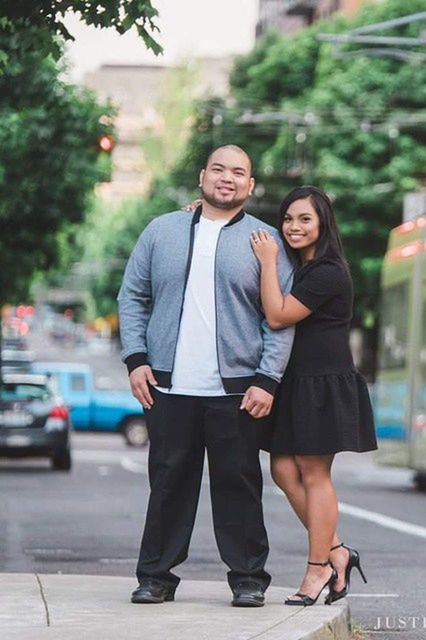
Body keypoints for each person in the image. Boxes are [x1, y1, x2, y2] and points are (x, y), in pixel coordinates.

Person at [117, 145, 294, 607]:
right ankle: (155, 577)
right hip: (168, 386)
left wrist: (267, 378)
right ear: (202, 177)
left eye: (239, 172)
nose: (228, 178)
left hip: (238, 390)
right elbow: (132, 295)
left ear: (251, 186)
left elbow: (279, 318)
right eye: (219, 169)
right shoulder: (162, 230)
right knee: (169, 483)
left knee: (238, 484)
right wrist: (136, 359)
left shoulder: (267, 242)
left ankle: (249, 578)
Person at [249, 185, 377, 606]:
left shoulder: (327, 271)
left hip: (323, 384)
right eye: (288, 218)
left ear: (322, 223)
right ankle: (338, 552)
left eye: (304, 219)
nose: (293, 226)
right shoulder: (298, 265)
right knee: (284, 471)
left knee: (314, 474)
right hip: (297, 383)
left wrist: (267, 262)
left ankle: (318, 567)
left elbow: (278, 314)